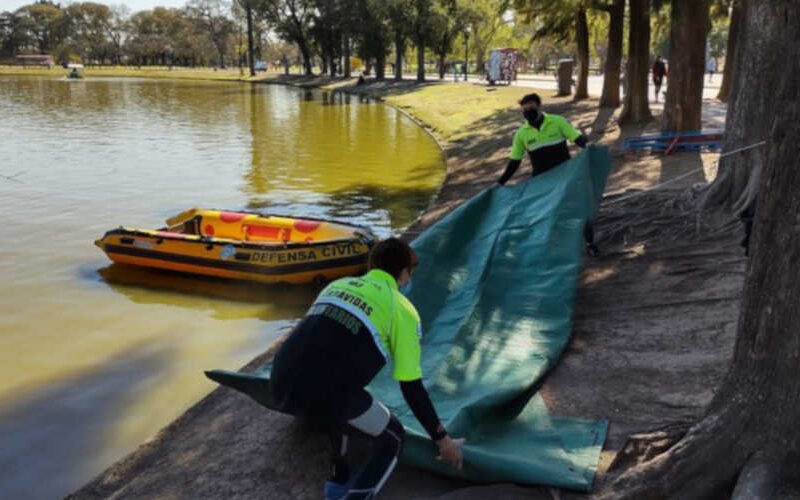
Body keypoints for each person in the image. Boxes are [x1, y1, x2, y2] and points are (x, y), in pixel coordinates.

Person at [270, 238, 465, 500]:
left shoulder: (337, 285)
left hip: (279, 380)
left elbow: (313, 344)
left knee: (338, 390)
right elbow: (411, 386)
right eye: (409, 274)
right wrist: (443, 439)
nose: (408, 281)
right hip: (325, 393)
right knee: (392, 437)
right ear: (404, 273)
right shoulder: (402, 308)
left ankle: (338, 478)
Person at [496, 93, 599, 256]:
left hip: (566, 176)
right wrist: (500, 182)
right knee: (544, 215)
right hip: (541, 181)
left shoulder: (558, 122)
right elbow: (515, 161)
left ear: (540, 107)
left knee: (579, 209)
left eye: (531, 108)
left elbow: (576, 137)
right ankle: (548, 249)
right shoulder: (522, 133)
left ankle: (590, 244)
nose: (528, 112)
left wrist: (588, 146)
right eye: (524, 110)